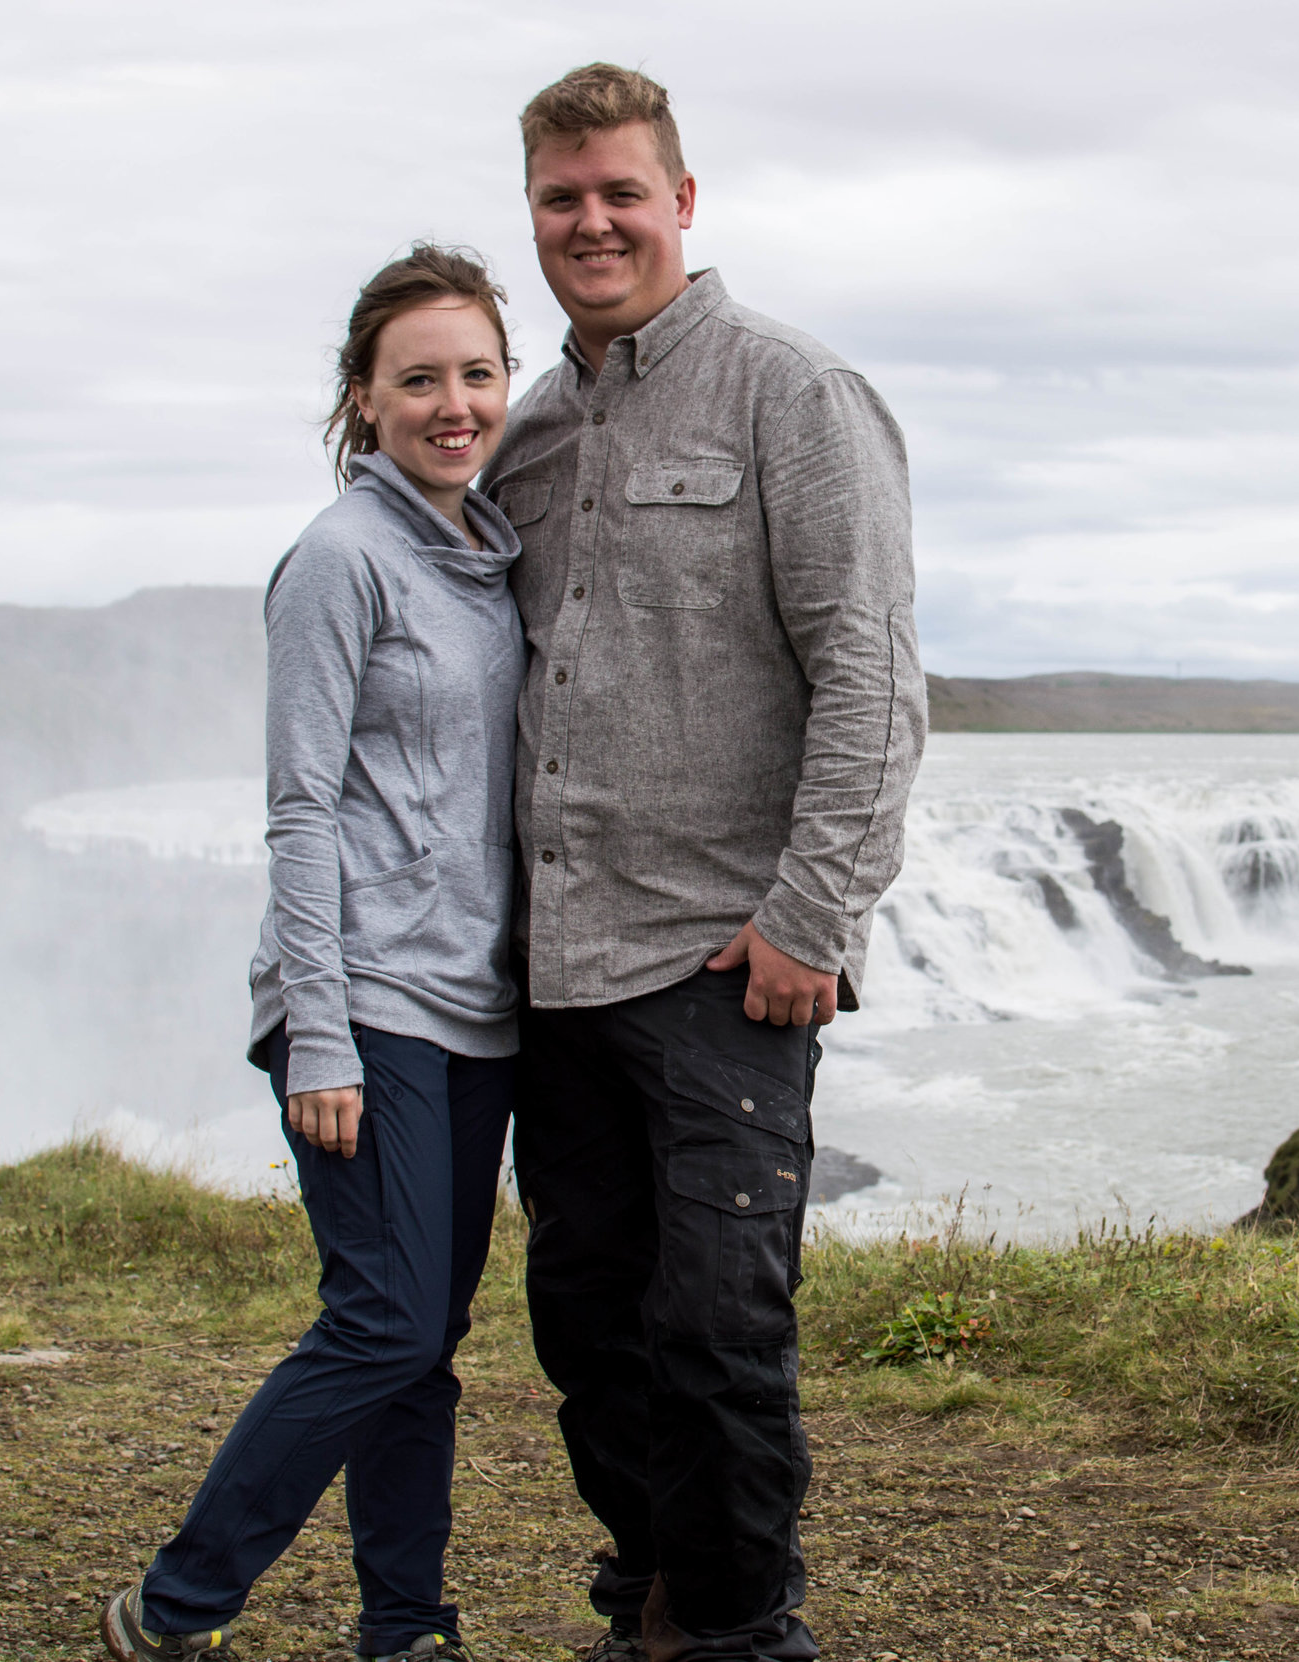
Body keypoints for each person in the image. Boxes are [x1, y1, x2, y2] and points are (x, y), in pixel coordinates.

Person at [482, 63, 926, 1662]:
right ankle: (650, 1598)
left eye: (618, 191)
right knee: (588, 1324)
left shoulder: (789, 393)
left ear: (682, 199)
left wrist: (812, 917)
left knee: (720, 1326)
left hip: (724, 964)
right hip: (556, 966)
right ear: (530, 212)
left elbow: (872, 674)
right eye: (558, 195)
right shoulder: (526, 436)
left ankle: (742, 1630)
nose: (589, 221)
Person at [99, 243, 526, 1662]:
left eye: (476, 373)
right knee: (387, 1324)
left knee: (421, 1349)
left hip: (476, 1010)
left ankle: (406, 1626)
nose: (453, 403)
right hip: (364, 1003)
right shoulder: (339, 559)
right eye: (420, 378)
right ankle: (177, 1602)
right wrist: (321, 1032)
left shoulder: (487, 553)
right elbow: (298, 809)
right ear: (364, 398)